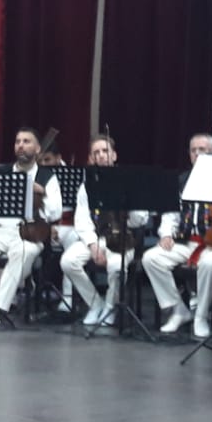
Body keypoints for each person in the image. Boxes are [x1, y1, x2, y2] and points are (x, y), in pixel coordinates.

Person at [0, 127, 62, 325]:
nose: (21, 145)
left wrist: (41, 192)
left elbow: (55, 213)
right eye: (18, 142)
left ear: (37, 148)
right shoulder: (1, 172)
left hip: (28, 233)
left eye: (26, 141)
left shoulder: (47, 177)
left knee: (24, 252)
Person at [142, 133, 212, 339]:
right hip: (186, 242)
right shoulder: (182, 181)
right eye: (193, 150)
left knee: (211, 263)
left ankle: (201, 315)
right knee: (151, 258)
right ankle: (179, 310)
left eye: (202, 150)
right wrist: (166, 234)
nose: (197, 154)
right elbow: (171, 214)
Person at [58, 135, 149, 327]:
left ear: (114, 155)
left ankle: (109, 307)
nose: (101, 155)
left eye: (105, 151)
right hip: (97, 238)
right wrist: (93, 246)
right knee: (68, 261)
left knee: (116, 267)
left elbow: (141, 219)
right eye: (96, 153)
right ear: (92, 158)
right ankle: (95, 304)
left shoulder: (130, 181)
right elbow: (82, 221)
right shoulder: (87, 186)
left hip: (122, 238)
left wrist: (130, 204)